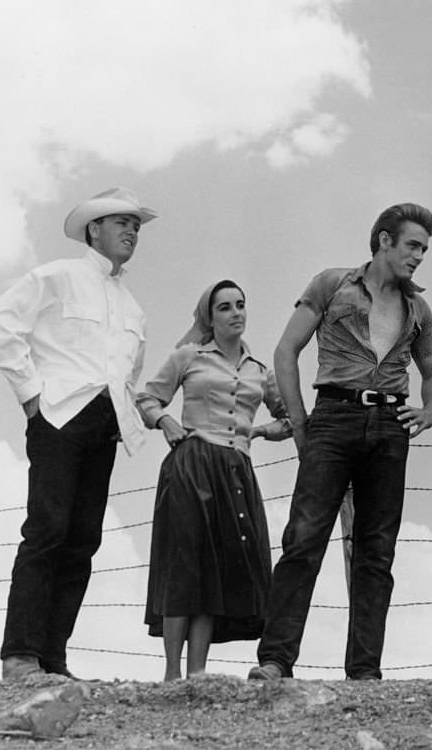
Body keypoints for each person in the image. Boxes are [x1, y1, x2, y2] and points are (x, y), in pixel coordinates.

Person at [248, 203, 432, 682]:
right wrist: (299, 423)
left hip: (389, 426)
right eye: (412, 245)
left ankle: (364, 670)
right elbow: (285, 351)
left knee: (377, 551)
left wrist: (429, 411)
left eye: (424, 248)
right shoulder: (332, 284)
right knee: (303, 538)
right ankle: (276, 661)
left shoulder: (418, 308)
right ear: (383, 241)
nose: (419, 256)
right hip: (333, 417)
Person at [0, 187, 157, 681]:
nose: (130, 232)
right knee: (46, 531)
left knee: (83, 540)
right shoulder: (58, 276)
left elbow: (127, 372)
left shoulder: (133, 308)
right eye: (120, 222)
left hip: (104, 427)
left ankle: (52, 660)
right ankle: (20, 656)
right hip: (59, 416)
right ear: (93, 229)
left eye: (136, 226)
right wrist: (30, 395)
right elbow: (0, 319)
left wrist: (121, 421)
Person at [136, 280, 292, 681]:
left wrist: (259, 433)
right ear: (210, 316)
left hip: (236, 469)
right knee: (185, 566)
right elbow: (147, 399)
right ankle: (172, 674)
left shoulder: (259, 370)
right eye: (224, 307)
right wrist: (166, 422)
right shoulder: (189, 356)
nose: (235, 313)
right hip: (192, 463)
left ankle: (198, 674)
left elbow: (291, 419)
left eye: (241, 305)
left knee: (215, 569)